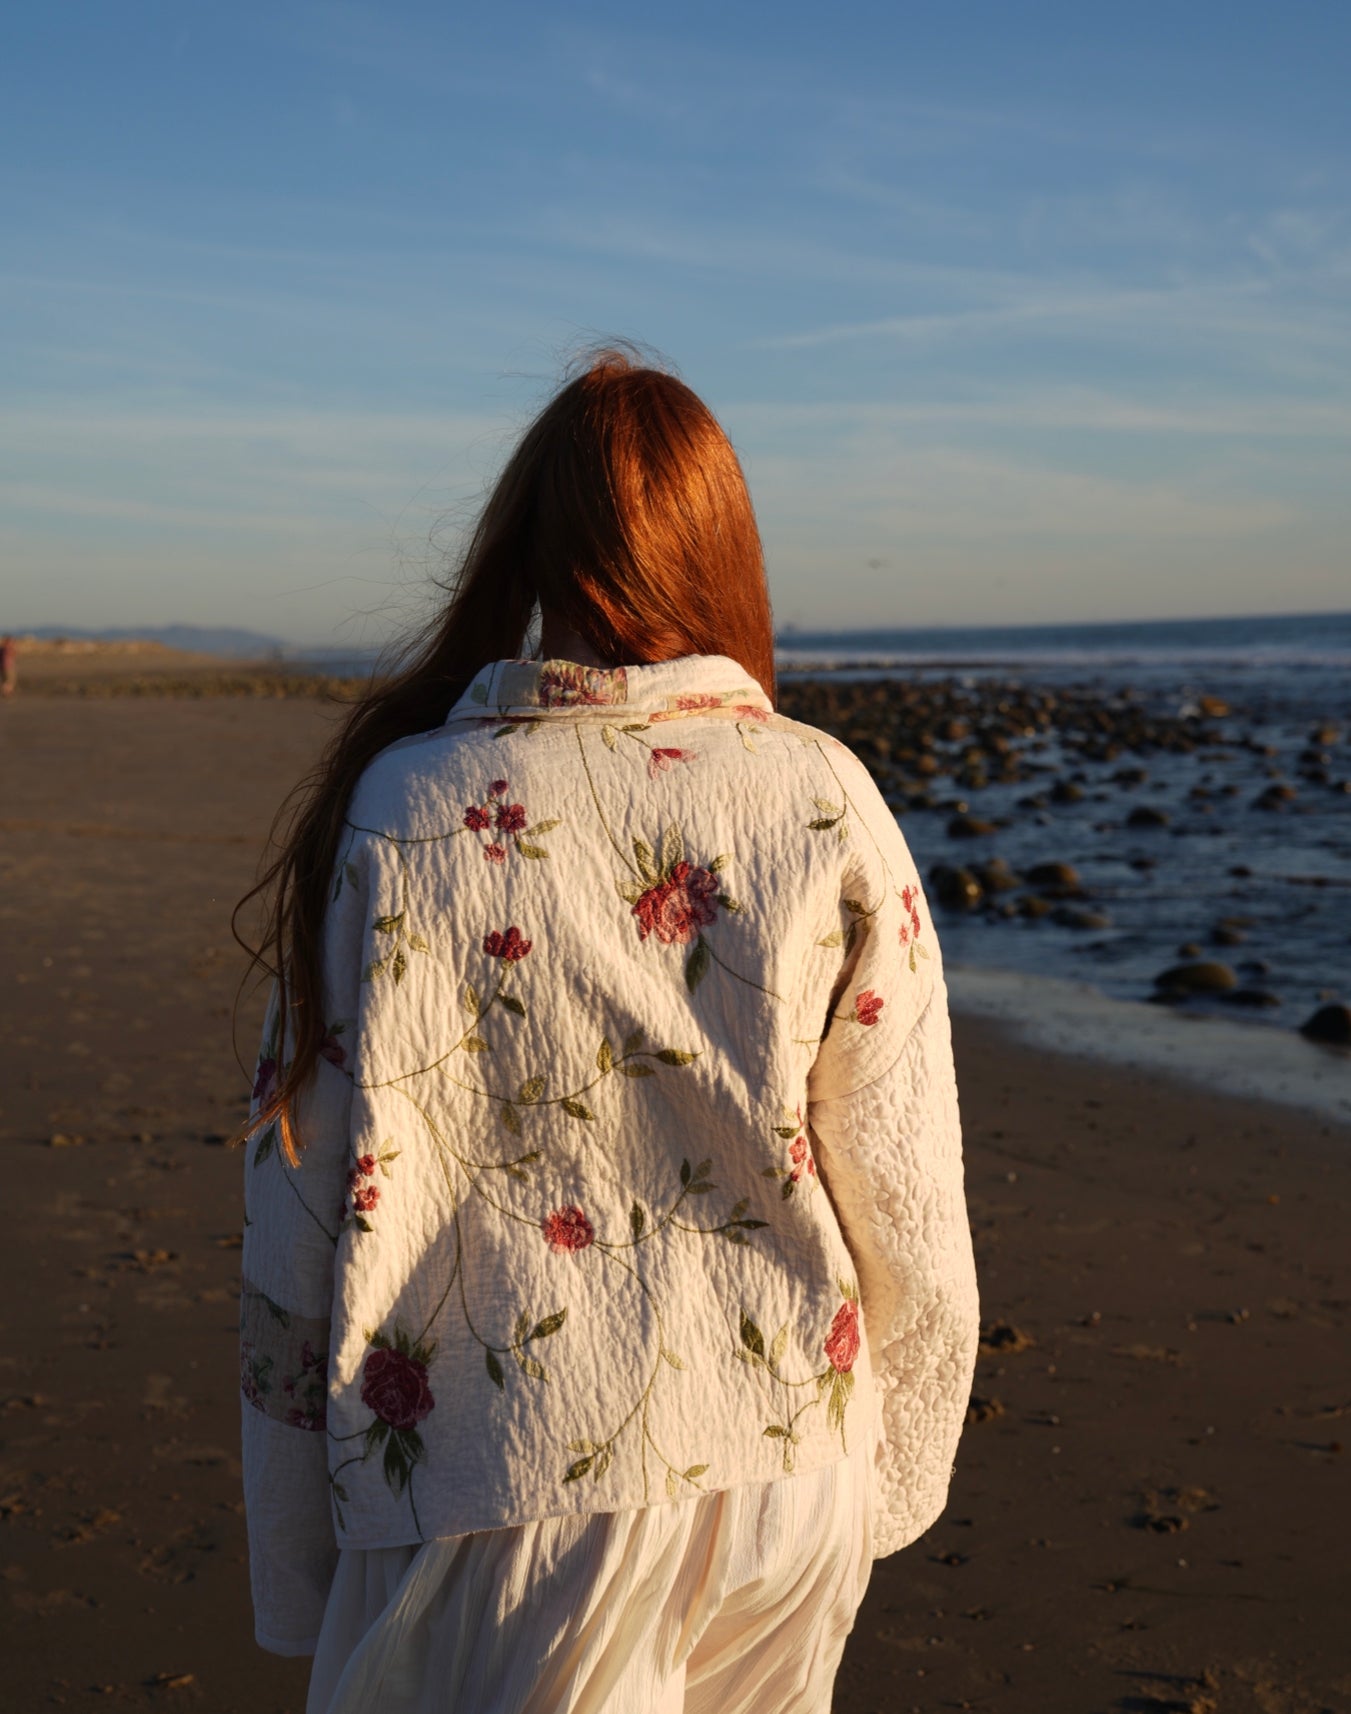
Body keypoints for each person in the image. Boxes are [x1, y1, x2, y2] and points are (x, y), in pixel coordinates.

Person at [237, 349, 979, 1714]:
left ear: (527, 550)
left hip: (492, 1482)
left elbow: (295, 1207)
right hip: (780, 1468)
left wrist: (294, 1555)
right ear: (720, 551)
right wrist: (878, 1480)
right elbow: (911, 1190)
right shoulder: (820, 797)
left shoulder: (401, 810)